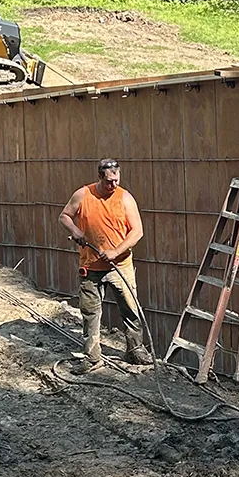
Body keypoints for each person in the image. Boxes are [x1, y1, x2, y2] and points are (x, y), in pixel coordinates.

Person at [59, 159, 154, 371]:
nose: (114, 185)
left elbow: (137, 231)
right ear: (100, 177)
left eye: (117, 180)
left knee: (130, 309)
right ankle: (92, 357)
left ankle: (135, 350)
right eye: (109, 181)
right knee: (91, 313)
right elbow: (64, 216)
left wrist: (116, 252)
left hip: (120, 267)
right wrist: (75, 231)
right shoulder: (83, 195)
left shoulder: (125, 198)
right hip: (91, 266)